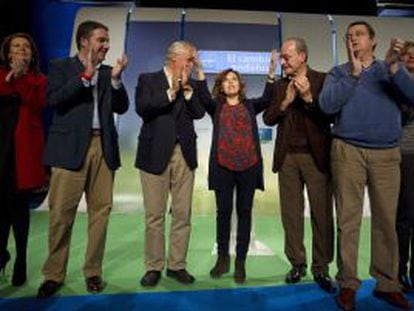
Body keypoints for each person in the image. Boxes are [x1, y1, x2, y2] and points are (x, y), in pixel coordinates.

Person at [319, 21, 414, 310]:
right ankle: (348, 283)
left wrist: (397, 68)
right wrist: (354, 75)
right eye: (349, 37)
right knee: (348, 221)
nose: (353, 40)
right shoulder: (338, 73)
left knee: (386, 220)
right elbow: (326, 106)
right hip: (347, 151)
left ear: (373, 40)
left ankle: (387, 284)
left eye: (359, 35)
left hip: (386, 153)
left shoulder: (390, 70)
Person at [37, 20, 129, 298]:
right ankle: (53, 274)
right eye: (101, 40)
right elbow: (53, 100)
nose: (107, 45)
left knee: (100, 213)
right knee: (61, 215)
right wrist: (84, 77)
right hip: (68, 149)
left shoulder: (106, 72)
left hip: (103, 147)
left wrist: (115, 79)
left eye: (107, 40)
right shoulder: (60, 67)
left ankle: (93, 272)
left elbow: (122, 106)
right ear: (85, 41)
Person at [195, 51, 276, 283]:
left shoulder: (251, 105)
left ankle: (240, 262)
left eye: (234, 79)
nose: (230, 83)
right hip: (223, 167)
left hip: (248, 167)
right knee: (223, 214)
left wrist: (271, 72)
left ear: (240, 85)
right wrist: (200, 70)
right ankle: (223, 260)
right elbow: (201, 94)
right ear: (220, 87)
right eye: (225, 80)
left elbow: (268, 98)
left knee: (245, 213)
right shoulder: (216, 107)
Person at [263, 37, 334, 292]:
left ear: (302, 56)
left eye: (287, 57)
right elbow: (269, 118)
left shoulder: (323, 80)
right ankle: (297, 263)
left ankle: (321, 268)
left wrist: (307, 97)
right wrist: (286, 101)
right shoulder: (281, 85)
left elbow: (329, 115)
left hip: (316, 157)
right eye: (282, 57)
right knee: (291, 215)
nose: (283, 62)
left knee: (322, 213)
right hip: (287, 158)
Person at [135, 41, 204, 287]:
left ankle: (177, 265)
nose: (191, 64)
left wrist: (186, 91)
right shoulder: (148, 79)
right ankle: (153, 266)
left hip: (184, 154)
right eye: (189, 60)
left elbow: (199, 113)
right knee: (154, 215)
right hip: (154, 153)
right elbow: (143, 108)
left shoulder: (191, 85)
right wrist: (171, 92)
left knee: (182, 214)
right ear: (174, 58)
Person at [0, 33, 47, 286]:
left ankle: (21, 260)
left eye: (26, 47)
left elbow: (37, 103)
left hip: (23, 153)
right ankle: (2, 255)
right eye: (16, 47)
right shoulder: (0, 76)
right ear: (8, 53)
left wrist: (20, 79)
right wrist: (10, 78)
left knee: (18, 208)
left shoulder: (39, 79)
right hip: (2, 151)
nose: (21, 50)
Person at [396, 40, 414, 291]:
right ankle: (399, 270)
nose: (412, 58)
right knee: (405, 216)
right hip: (405, 153)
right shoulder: (395, 86)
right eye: (408, 55)